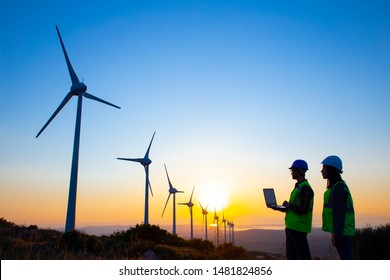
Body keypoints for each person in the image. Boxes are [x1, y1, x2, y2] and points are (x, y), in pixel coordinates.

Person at [272, 159, 314, 260]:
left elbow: (303, 209)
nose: (292, 173)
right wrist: (280, 208)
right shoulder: (298, 187)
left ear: (300, 171)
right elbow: (294, 208)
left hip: (299, 229)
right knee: (291, 257)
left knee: (303, 257)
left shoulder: (305, 188)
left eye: (293, 170)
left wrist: (288, 205)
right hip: (291, 228)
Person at [321, 155, 355, 260]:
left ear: (331, 169)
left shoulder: (338, 188)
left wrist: (337, 235)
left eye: (324, 168)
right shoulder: (337, 187)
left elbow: (339, 214)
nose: (322, 171)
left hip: (343, 233)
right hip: (342, 232)